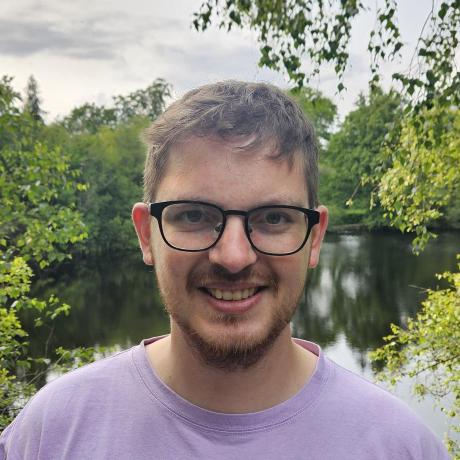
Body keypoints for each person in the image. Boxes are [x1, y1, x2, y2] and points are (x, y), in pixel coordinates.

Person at [0, 81, 449, 460]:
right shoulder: (53, 434)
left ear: (314, 237)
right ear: (146, 234)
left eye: (274, 218)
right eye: (194, 215)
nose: (233, 257)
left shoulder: (400, 446)